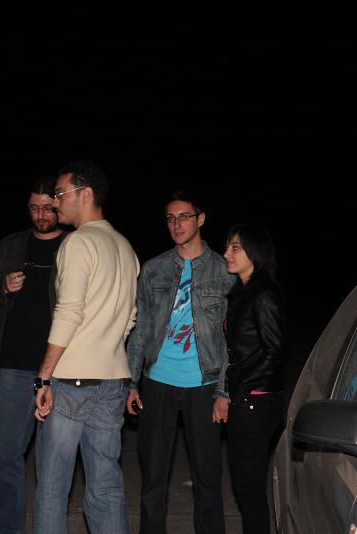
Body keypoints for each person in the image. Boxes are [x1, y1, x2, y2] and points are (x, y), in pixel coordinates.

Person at [33, 161, 139, 534]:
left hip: (72, 380)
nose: (55, 202)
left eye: (61, 194)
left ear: (86, 194)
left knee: (52, 487)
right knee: (106, 486)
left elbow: (68, 312)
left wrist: (44, 377)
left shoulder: (78, 243)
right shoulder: (124, 245)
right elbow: (130, 317)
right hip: (113, 379)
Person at [125, 190, 235, 534]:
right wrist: (131, 382)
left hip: (204, 384)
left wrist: (224, 390)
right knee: (153, 476)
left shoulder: (224, 270)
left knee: (207, 477)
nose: (176, 224)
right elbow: (141, 328)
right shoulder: (154, 269)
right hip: (158, 381)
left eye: (184, 217)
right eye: (170, 218)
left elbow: (232, 340)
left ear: (200, 219)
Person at [0, 176, 67, 534]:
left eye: (48, 208)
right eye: (34, 208)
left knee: (53, 462)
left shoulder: (76, 245)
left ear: (60, 206)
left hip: (61, 369)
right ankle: (9, 528)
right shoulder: (9, 246)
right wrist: (2, 287)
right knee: (6, 456)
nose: (41, 215)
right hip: (13, 366)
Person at [222, 223, 285, 534]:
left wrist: (242, 390)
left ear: (255, 253)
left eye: (236, 248)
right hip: (248, 400)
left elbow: (275, 351)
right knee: (246, 489)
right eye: (228, 247)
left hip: (255, 403)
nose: (227, 254)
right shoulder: (243, 292)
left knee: (250, 491)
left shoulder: (263, 296)